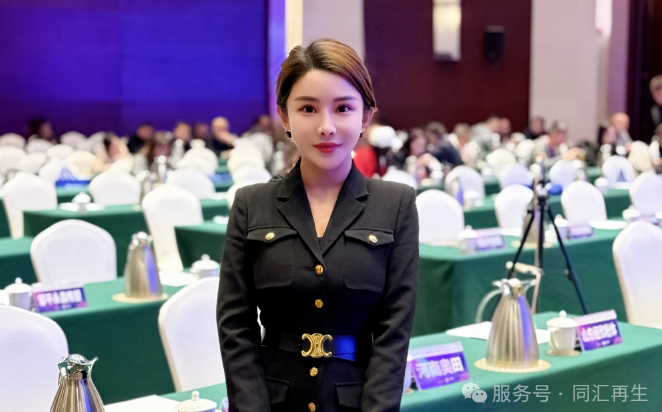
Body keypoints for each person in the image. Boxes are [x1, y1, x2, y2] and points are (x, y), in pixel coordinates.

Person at [217, 38, 419, 412]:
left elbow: (394, 333)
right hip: (273, 401)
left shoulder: (396, 204)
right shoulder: (251, 204)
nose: (326, 127)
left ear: (365, 117)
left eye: (343, 108)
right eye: (308, 108)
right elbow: (235, 327)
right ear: (284, 116)